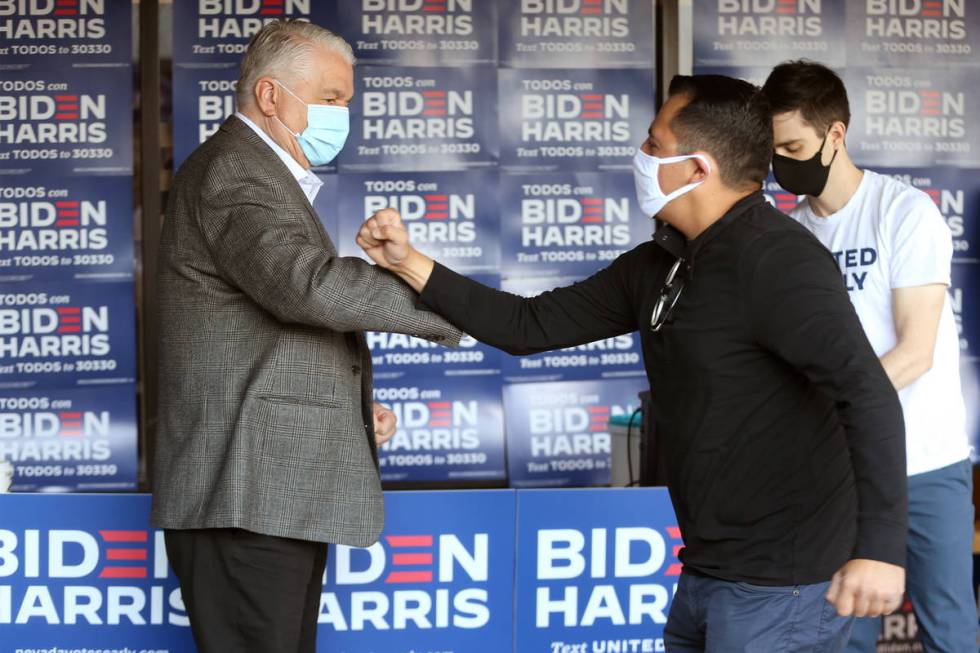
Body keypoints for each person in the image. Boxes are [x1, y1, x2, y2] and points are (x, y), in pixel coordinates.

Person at [358, 74, 909, 652]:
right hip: (706, 571)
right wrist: (410, 263)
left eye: (654, 144)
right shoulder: (662, 261)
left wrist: (879, 547)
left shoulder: (779, 260)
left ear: (697, 169)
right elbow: (528, 326)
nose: (640, 156)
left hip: (784, 585)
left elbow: (865, 393)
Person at [150, 20, 462, 653]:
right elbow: (308, 288)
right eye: (331, 100)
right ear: (271, 96)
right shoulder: (235, 174)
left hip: (268, 495)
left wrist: (345, 409)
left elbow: (258, 335)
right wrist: (452, 302)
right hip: (241, 495)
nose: (343, 115)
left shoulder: (255, 173)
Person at [763, 60, 977, 653]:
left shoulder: (904, 213)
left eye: (793, 145)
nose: (782, 163)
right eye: (773, 150)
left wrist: (831, 409)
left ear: (835, 135)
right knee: (842, 634)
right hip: (841, 473)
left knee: (950, 631)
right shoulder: (789, 235)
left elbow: (915, 352)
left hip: (926, 463)